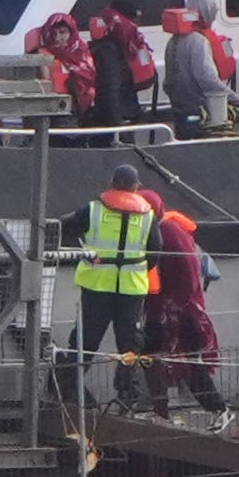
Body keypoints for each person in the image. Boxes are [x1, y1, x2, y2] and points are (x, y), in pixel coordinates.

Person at [57, 164, 161, 414]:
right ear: (136, 187)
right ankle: (127, 395)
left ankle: (69, 390)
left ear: (112, 183)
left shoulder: (92, 211)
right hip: (131, 291)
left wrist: (83, 252)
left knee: (85, 340)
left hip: (96, 287)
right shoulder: (148, 216)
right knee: (129, 344)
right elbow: (155, 252)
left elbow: (61, 228)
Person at [138, 188, 232, 433]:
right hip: (158, 311)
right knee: (150, 357)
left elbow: (189, 275)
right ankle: (160, 411)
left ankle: (219, 409)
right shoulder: (147, 233)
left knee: (191, 364)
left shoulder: (169, 232)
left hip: (183, 312)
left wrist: (176, 305)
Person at [165, 0, 239, 138]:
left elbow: (168, 84)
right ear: (206, 12)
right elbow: (209, 81)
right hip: (202, 119)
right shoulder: (198, 41)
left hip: (180, 116)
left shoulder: (172, 42)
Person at [85, 6, 146, 127]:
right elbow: (110, 88)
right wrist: (117, 123)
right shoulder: (110, 51)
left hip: (119, 113)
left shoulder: (103, 49)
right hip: (121, 115)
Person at [36, 13, 98, 123]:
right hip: (55, 111)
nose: (58, 38)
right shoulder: (44, 55)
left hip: (83, 110)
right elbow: (45, 83)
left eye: (62, 32)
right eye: (53, 33)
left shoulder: (82, 52)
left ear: (71, 32)